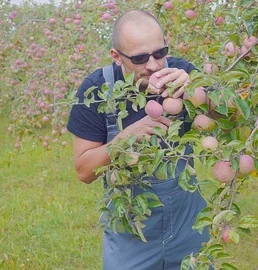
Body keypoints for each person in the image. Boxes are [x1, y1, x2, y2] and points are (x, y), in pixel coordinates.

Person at [67, 10, 209, 270]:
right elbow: (84, 170)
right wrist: (125, 138)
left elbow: (231, 115)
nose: (153, 65)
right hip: (131, 232)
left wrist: (198, 92)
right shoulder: (97, 90)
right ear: (117, 57)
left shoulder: (182, 73)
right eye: (140, 58)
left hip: (189, 224)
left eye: (160, 52)